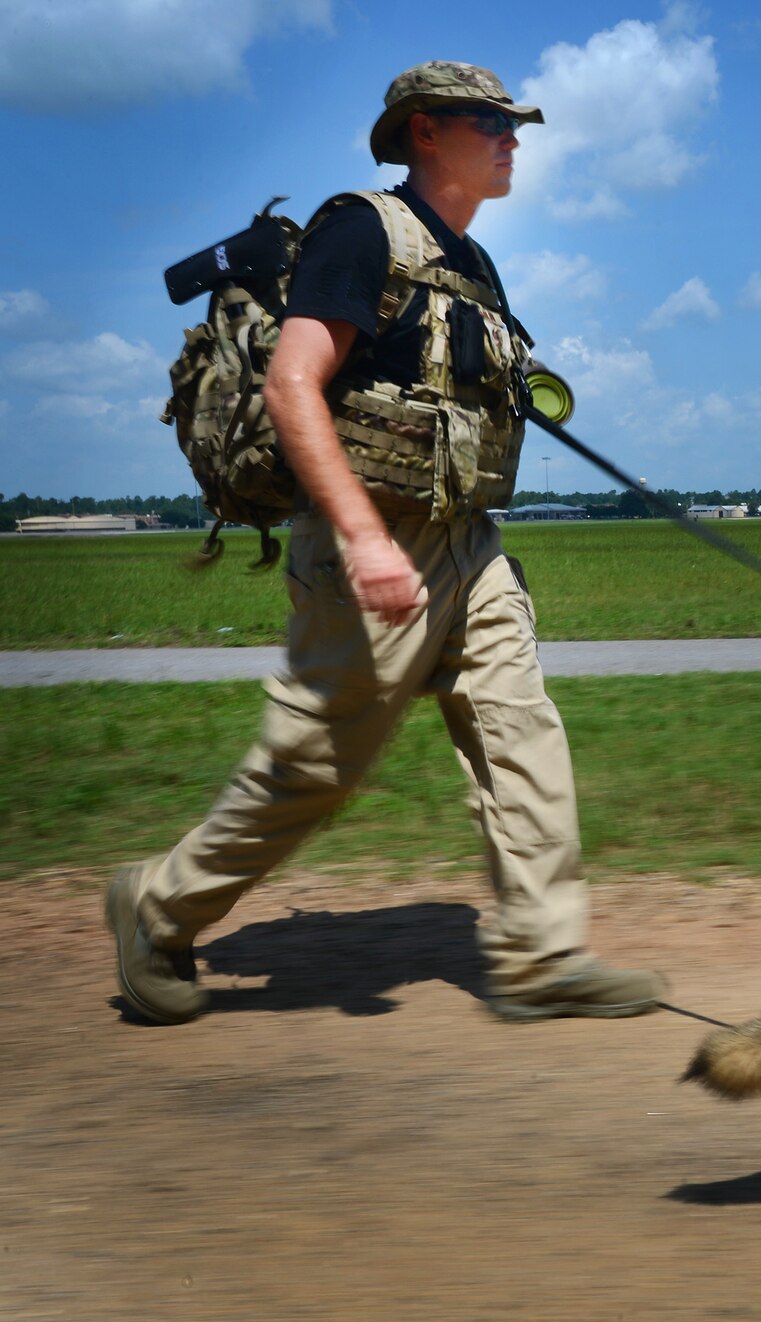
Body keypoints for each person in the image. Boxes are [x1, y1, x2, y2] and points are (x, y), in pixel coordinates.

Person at [104, 62, 664, 1024]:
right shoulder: (361, 229)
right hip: (375, 541)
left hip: (467, 541)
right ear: (423, 132)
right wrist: (363, 540)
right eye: (489, 121)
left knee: (521, 724)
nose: (511, 136)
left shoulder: (473, 265)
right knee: (318, 765)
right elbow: (292, 386)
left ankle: (540, 954)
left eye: (512, 122)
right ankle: (157, 905)